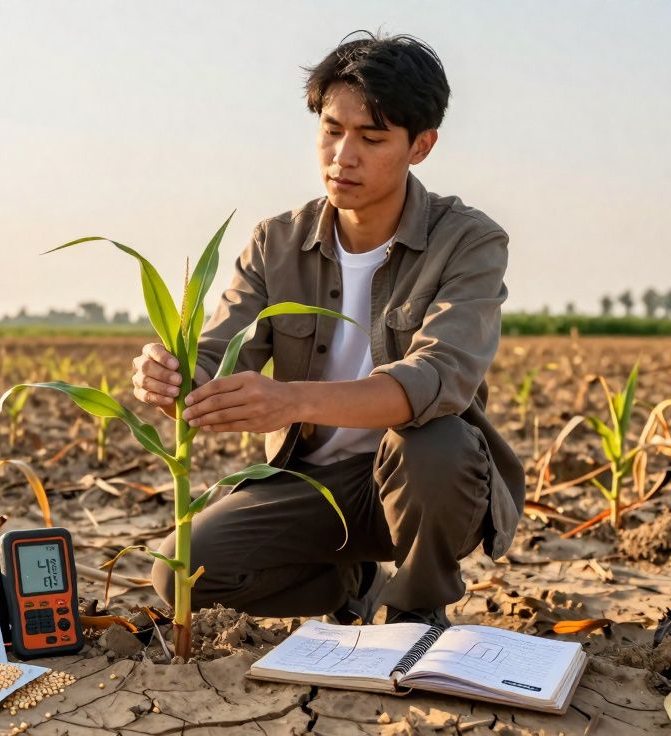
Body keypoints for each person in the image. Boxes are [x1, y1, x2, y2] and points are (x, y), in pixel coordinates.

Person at [132, 32, 525, 628]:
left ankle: (416, 608)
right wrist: (173, 377)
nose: (344, 156)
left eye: (372, 138)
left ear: (421, 146)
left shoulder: (468, 241)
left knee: (436, 445)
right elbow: (218, 356)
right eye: (332, 130)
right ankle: (351, 583)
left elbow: (437, 379)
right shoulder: (276, 243)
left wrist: (287, 400)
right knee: (183, 573)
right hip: (311, 483)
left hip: (425, 481)